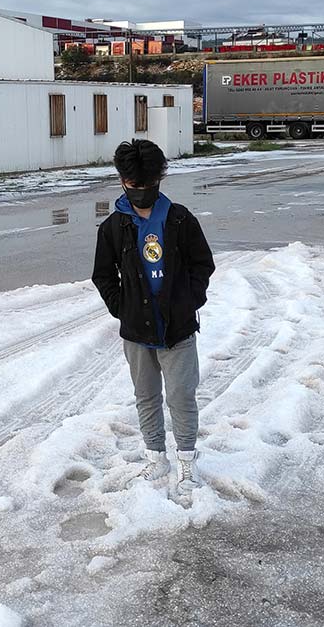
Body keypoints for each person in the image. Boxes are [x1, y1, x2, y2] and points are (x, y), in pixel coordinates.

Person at [91, 139, 215, 496]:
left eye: (148, 185)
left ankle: (188, 461)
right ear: (122, 181)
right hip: (136, 331)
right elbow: (102, 275)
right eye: (134, 186)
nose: (142, 192)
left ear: (160, 178)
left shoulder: (180, 219)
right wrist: (121, 307)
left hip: (177, 328)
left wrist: (188, 301)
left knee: (181, 396)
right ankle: (156, 456)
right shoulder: (113, 228)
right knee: (145, 396)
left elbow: (202, 264)